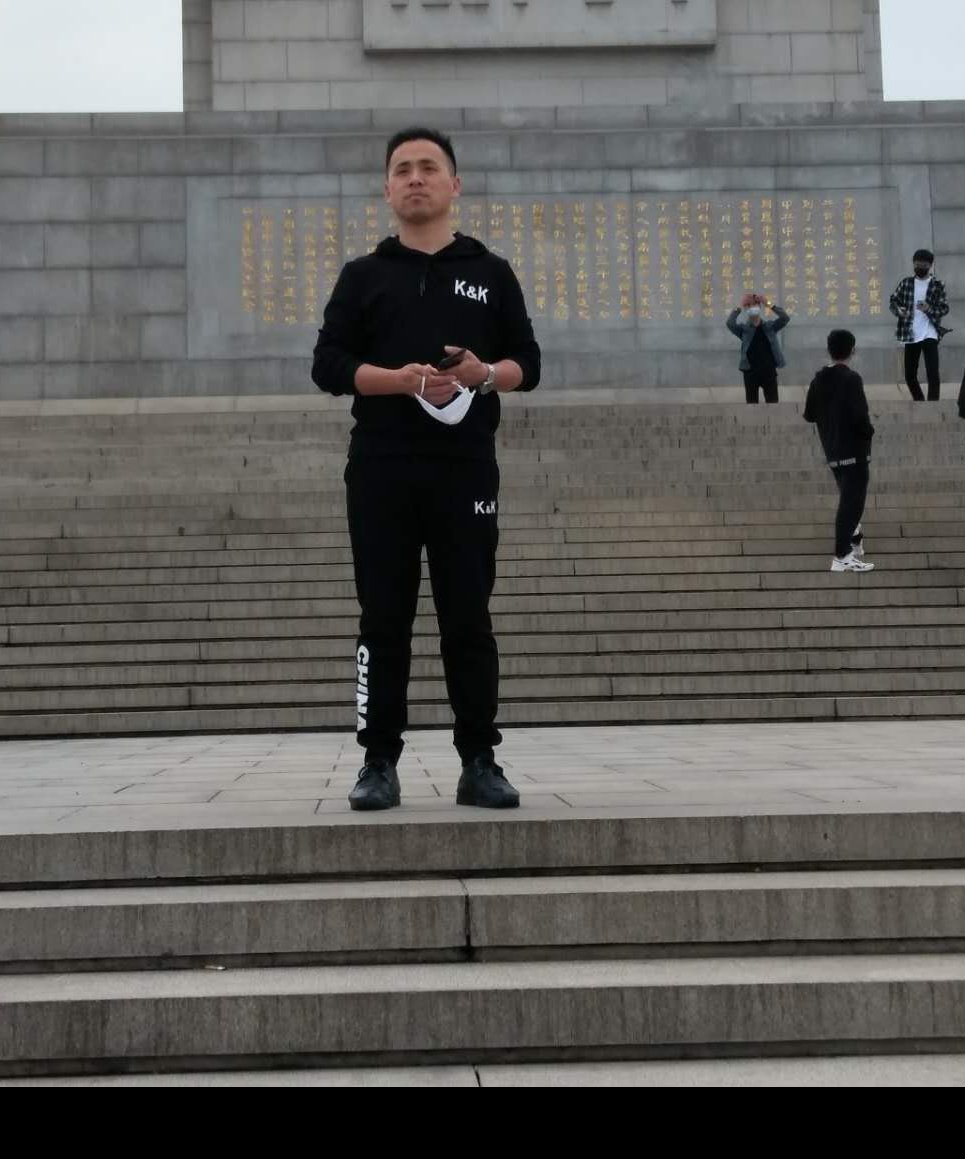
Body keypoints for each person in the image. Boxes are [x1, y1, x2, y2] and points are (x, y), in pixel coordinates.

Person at [312, 127, 541, 812]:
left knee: (468, 616)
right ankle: (377, 761)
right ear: (387, 189)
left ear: (453, 184)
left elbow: (528, 362)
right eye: (403, 169)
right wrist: (399, 381)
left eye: (429, 167)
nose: (416, 178)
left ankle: (480, 759)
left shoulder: (491, 272)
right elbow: (327, 365)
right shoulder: (363, 276)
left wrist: (482, 373)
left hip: (464, 469)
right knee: (383, 617)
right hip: (381, 469)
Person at [804, 330, 876, 574]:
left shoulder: (817, 380)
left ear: (829, 350)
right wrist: (868, 432)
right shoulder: (851, 378)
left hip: (833, 451)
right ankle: (843, 555)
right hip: (854, 451)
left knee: (848, 501)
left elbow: (809, 415)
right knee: (852, 504)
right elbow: (860, 415)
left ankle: (854, 537)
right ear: (852, 350)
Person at [889, 249, 950, 402]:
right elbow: (893, 301)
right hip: (911, 333)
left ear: (930, 265)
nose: (919, 267)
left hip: (930, 333)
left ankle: (933, 405)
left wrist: (928, 308)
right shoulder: (906, 283)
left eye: (923, 265)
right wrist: (899, 311)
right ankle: (920, 402)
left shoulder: (937, 285)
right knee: (909, 375)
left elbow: (944, 308)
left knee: (932, 372)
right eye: (917, 264)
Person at [726, 293, 791, 404]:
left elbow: (785, 318)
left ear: (759, 307)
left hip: (769, 371)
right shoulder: (744, 330)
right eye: (749, 305)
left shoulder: (770, 327)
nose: (752, 307)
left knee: (773, 404)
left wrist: (768, 303)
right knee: (751, 405)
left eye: (755, 304)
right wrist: (740, 306)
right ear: (746, 308)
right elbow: (730, 323)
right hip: (750, 372)